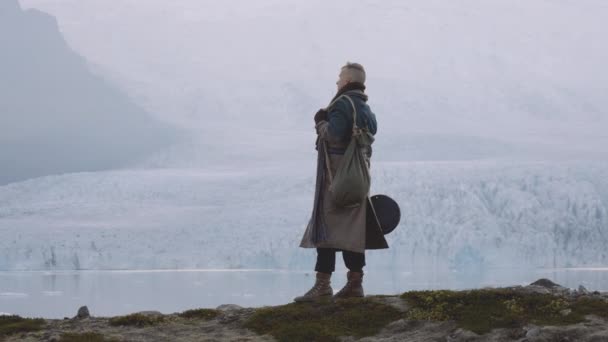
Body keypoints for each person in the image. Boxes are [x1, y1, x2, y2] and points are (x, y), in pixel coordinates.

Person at [295, 62, 388, 302]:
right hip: (358, 178)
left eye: (339, 78)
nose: (337, 82)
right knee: (353, 233)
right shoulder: (366, 109)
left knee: (326, 228)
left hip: (337, 178)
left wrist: (320, 121)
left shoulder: (342, 104)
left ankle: (322, 285)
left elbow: (334, 135)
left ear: (347, 82)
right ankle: (355, 284)